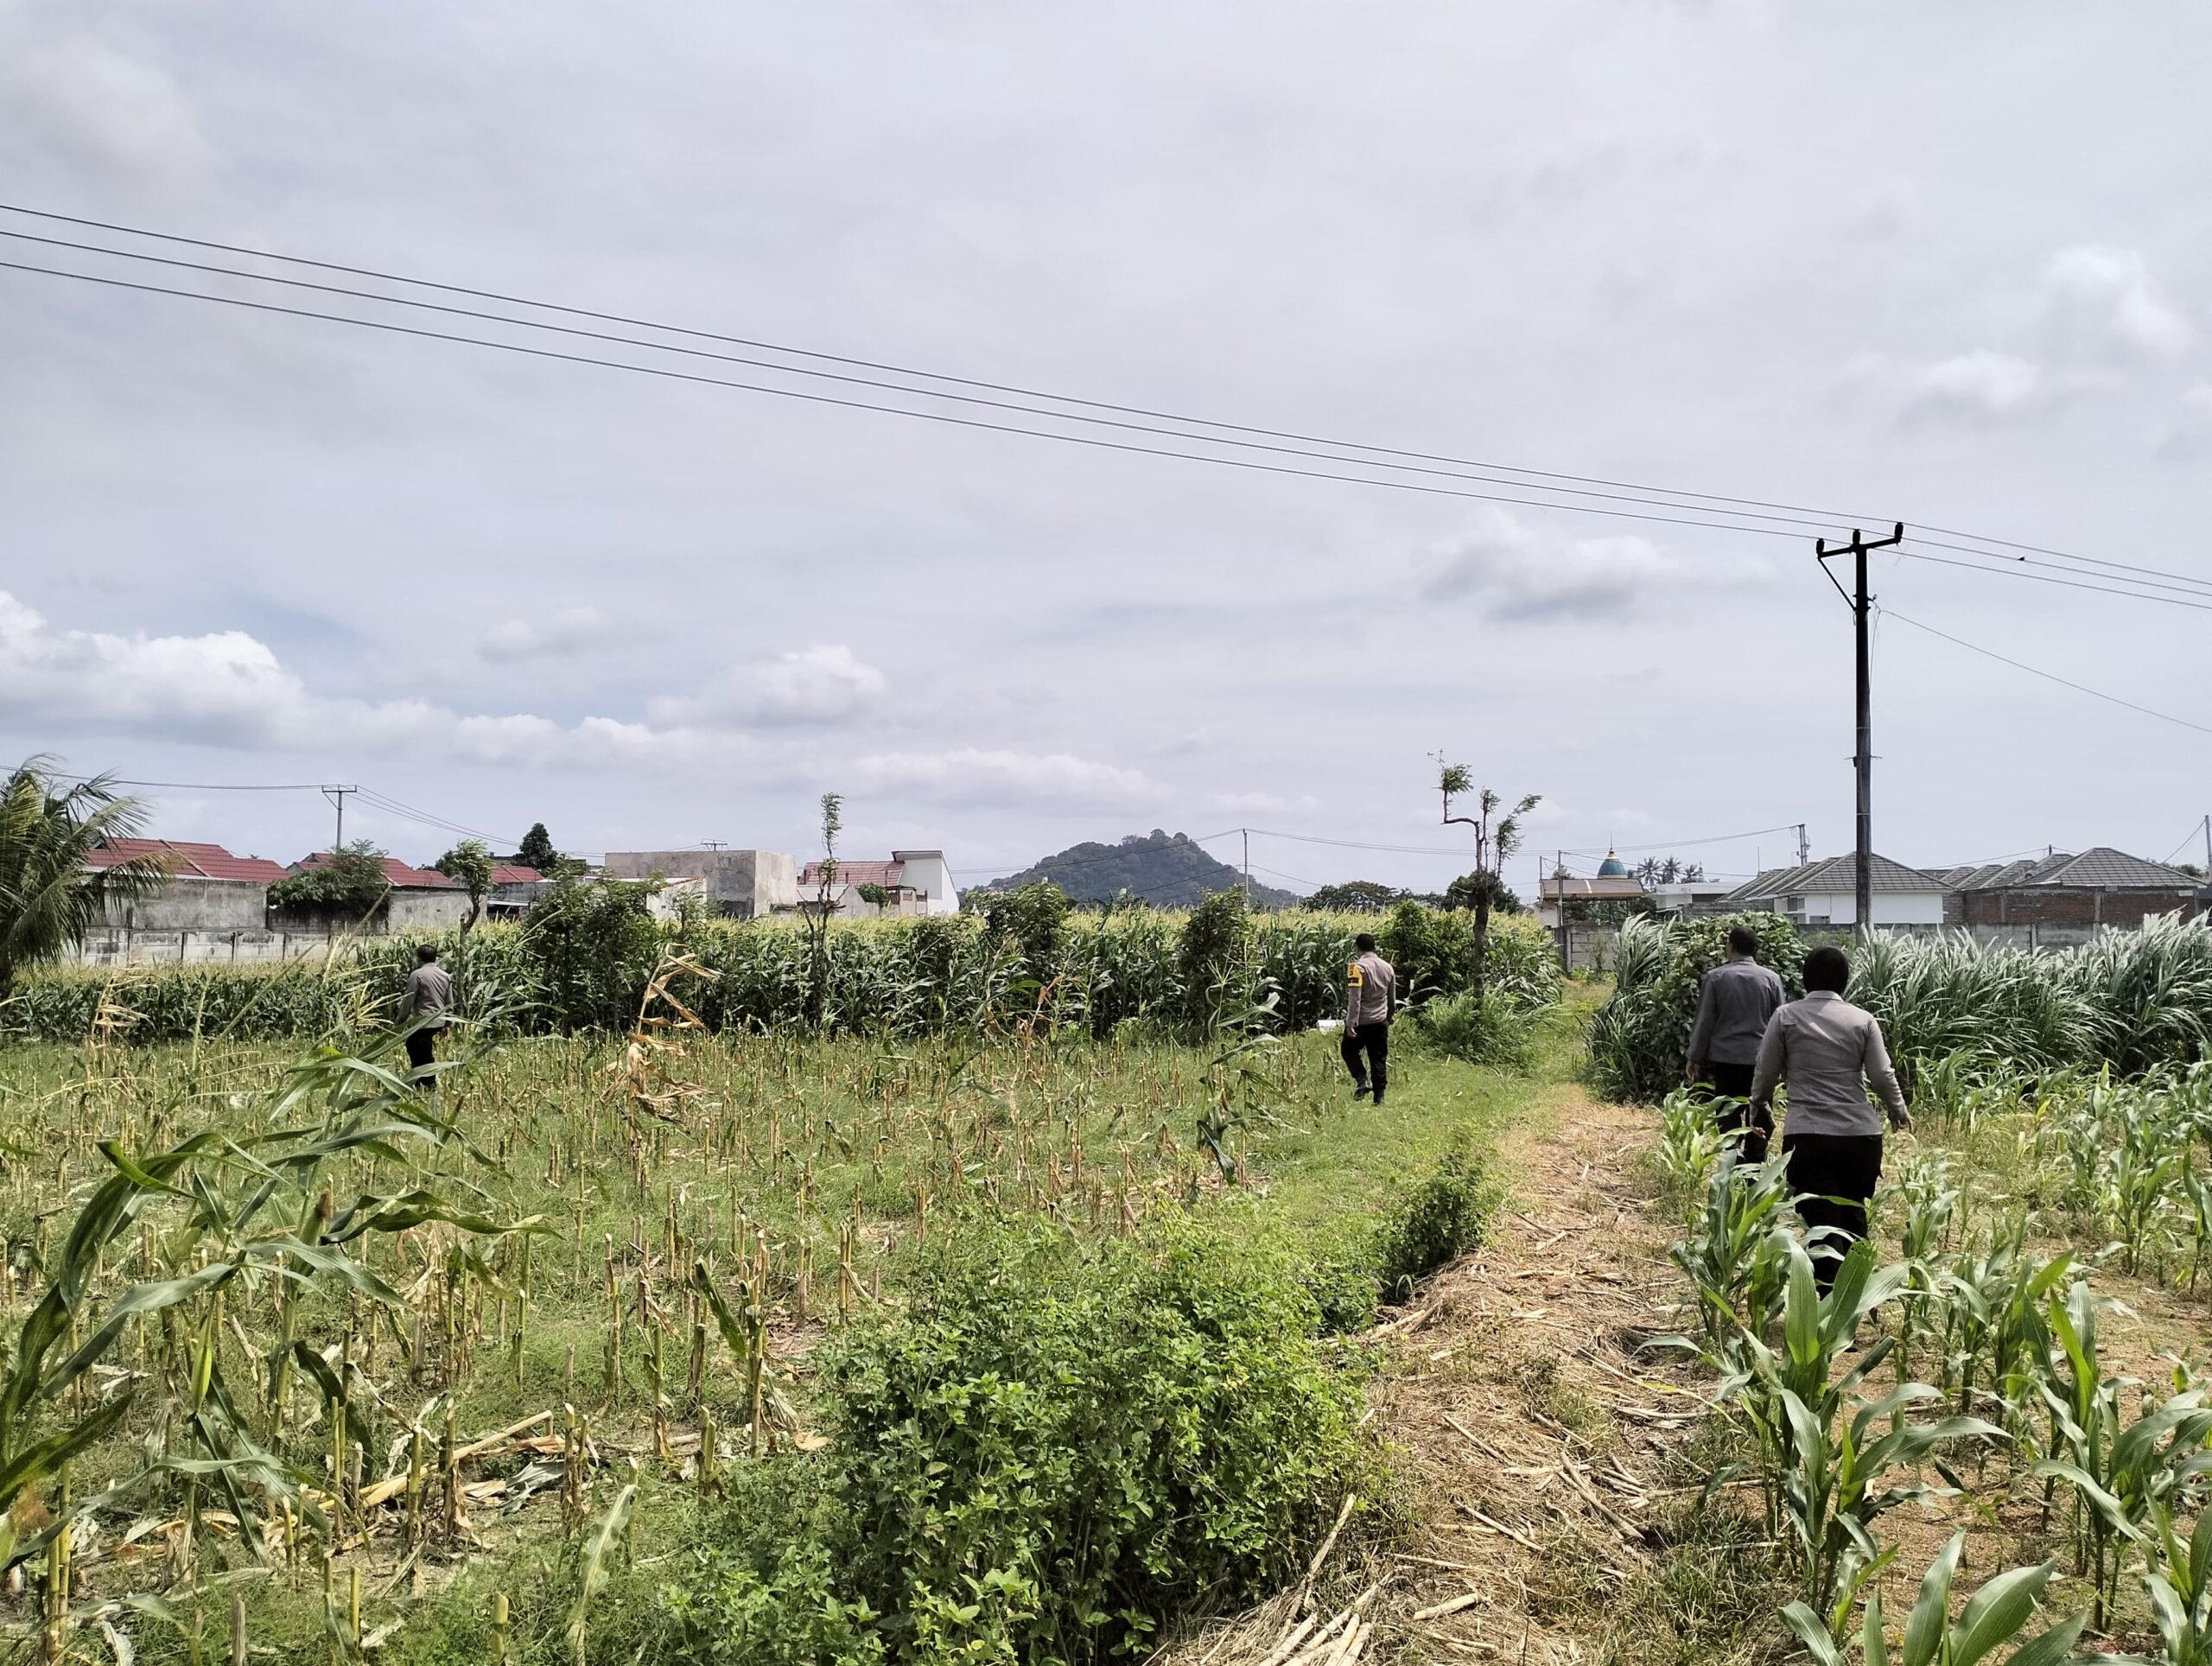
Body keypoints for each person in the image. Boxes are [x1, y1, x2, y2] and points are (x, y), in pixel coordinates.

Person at [1750, 944, 1911, 1291]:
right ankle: (1855, 1299)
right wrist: (1898, 1110)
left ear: (1806, 978)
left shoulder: (1786, 1016)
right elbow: (1882, 1074)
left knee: (1820, 1221)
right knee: (1853, 1215)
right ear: (1844, 981)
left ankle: (1824, 1306)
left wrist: (1758, 1104)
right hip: (1861, 1137)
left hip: (1809, 1136)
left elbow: (1766, 1069)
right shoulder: (1862, 1019)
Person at [1684, 924, 1787, 1160]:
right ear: (1754, 949)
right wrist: (1783, 1061)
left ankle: (1731, 1160)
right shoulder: (1771, 979)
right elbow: (1780, 1021)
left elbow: (1704, 1021)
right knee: (1759, 1111)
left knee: (1728, 1113)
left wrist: (1694, 1056)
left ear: (1731, 946)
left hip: (1726, 1061)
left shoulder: (1716, 977)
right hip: (1760, 1062)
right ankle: (1755, 1161)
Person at [1341, 933, 1397, 1104]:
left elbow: (1355, 999)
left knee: (1348, 1050)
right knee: (1378, 1057)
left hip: (1361, 1021)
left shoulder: (1356, 967)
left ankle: (1361, 1080)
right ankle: (1379, 1097)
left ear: (1358, 948)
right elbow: (1392, 999)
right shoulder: (1388, 967)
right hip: (1380, 1021)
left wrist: (1351, 1023)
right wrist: (1389, 1016)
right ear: (1374, 948)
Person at [402, 943, 454, 1084]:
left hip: (423, 1021)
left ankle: (427, 1082)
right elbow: (449, 1002)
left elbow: (408, 1001)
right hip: (438, 1020)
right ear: (435, 958)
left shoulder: (417, 975)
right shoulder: (445, 976)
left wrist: (400, 1022)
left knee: (417, 1048)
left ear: (419, 959)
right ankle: (421, 1079)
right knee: (417, 1046)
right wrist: (447, 1024)